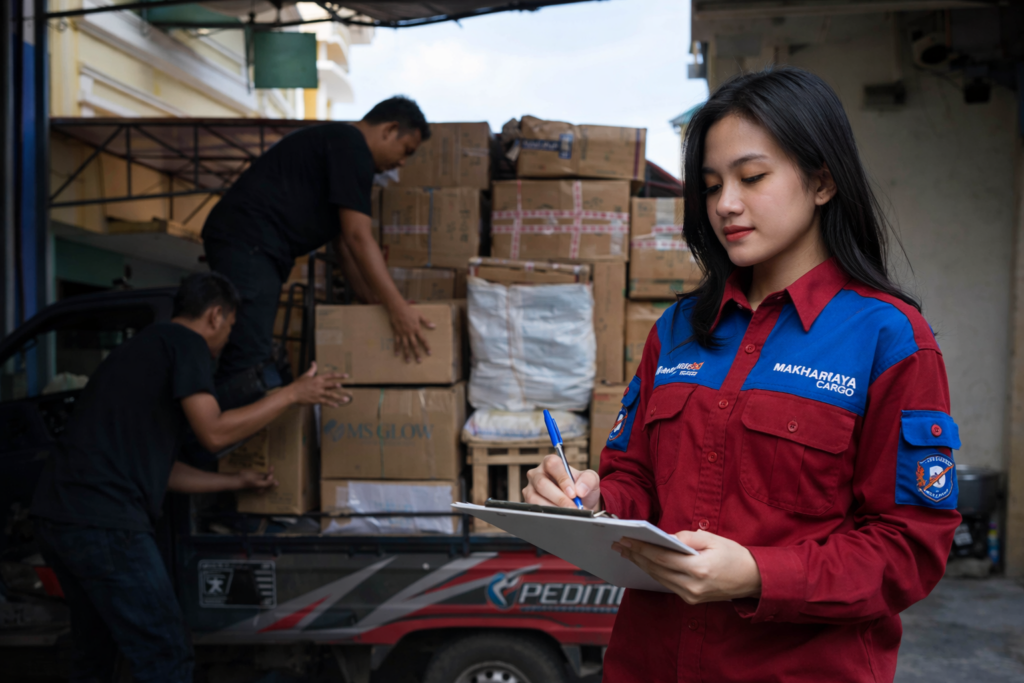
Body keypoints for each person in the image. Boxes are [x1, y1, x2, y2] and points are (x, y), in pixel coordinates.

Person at [523, 66, 961, 682]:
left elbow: (910, 548)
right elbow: (637, 482)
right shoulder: (676, 331)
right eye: (710, 186)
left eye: (752, 177)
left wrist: (759, 574)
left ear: (822, 181)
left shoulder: (889, 340)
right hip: (650, 664)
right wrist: (591, 502)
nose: (726, 204)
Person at [30, 272, 350, 683]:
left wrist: (237, 482)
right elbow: (213, 432)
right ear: (215, 316)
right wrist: (291, 394)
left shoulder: (142, 351)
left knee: (97, 650)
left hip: (60, 516)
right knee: (165, 650)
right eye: (231, 328)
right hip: (105, 523)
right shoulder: (186, 344)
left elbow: (162, 473)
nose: (225, 342)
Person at [201, 96, 434, 409]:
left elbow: (344, 246)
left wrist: (373, 303)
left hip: (253, 246)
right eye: (406, 150)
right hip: (248, 243)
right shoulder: (352, 147)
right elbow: (357, 236)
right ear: (390, 129)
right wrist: (397, 308)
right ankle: (217, 446)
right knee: (247, 356)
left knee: (248, 348)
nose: (402, 163)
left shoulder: (343, 147)